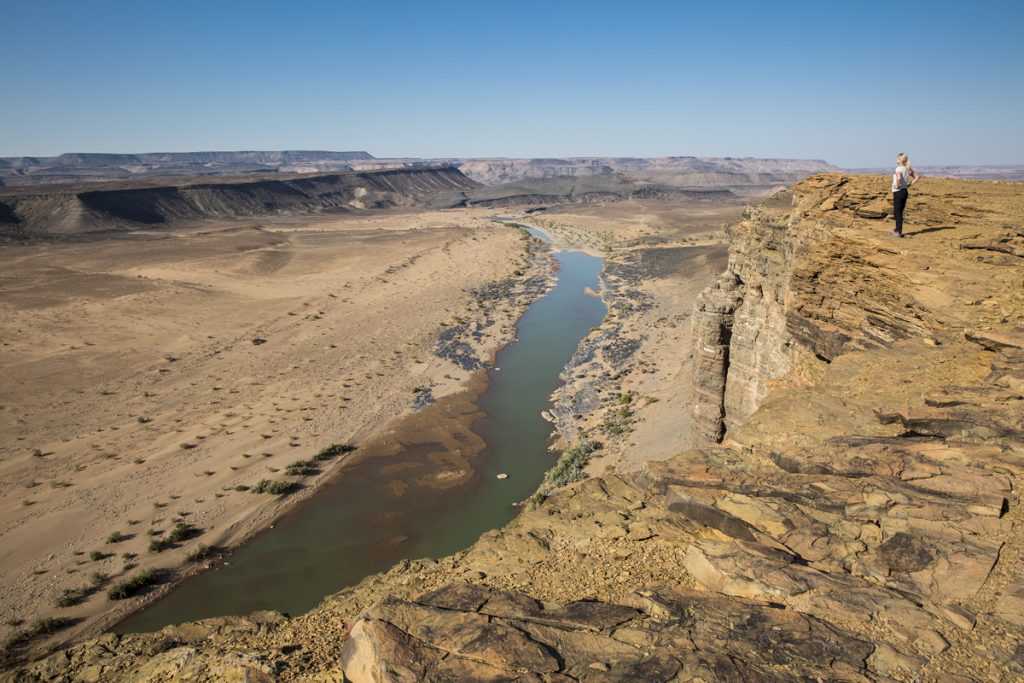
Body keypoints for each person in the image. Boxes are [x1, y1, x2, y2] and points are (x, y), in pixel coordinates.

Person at [891, 152, 919, 237]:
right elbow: (917, 177)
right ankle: (897, 230)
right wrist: (909, 185)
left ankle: (898, 232)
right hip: (904, 191)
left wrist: (898, 184)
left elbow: (899, 177)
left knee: (897, 213)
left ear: (899, 160)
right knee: (899, 212)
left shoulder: (898, 169)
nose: (896, 160)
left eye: (897, 158)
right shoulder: (907, 169)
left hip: (898, 192)